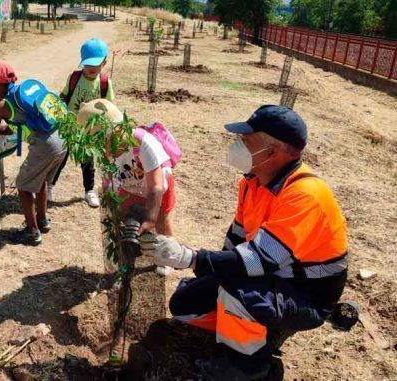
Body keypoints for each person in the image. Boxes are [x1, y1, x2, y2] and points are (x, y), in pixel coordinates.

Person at [154, 105, 348, 380]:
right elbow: (235, 241)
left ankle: (250, 368)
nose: (239, 146)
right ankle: (256, 331)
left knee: (236, 290)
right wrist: (210, 274)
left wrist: (191, 258)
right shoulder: (253, 183)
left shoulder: (306, 195)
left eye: (247, 141)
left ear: (273, 152)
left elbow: (258, 259)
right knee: (185, 305)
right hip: (271, 277)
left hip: (306, 294)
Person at [76, 99, 177, 275]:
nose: (99, 148)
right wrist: (114, 212)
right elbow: (109, 181)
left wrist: (150, 219)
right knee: (126, 222)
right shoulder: (103, 152)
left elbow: (156, 187)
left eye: (99, 142)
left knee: (161, 221)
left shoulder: (143, 142)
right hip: (129, 186)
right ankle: (126, 262)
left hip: (157, 187)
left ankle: (166, 255)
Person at [0, 61, 67, 246]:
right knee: (39, 182)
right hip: (61, 141)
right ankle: (42, 220)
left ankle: (32, 232)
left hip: (45, 147)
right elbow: (16, 127)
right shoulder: (20, 96)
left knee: (23, 186)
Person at [50, 38, 115, 207]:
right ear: (82, 63)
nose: (92, 68)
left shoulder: (104, 83)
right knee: (60, 157)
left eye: (96, 64)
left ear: (104, 62)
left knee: (88, 161)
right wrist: (56, 109)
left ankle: (89, 191)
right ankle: (49, 186)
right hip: (70, 126)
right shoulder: (74, 77)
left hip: (89, 130)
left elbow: (109, 106)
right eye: (88, 64)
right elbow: (63, 96)